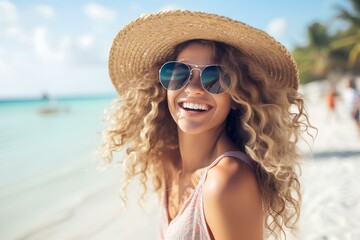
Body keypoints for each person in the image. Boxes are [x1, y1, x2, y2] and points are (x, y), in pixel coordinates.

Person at [101, 10, 313, 240]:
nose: (193, 88)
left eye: (216, 78)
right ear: (163, 87)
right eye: (178, 73)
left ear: (237, 97)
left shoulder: (227, 182)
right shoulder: (168, 161)